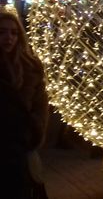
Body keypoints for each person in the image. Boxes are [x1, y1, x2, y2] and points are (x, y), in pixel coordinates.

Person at [0, 12, 49, 198]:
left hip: (22, 148)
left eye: (13, 33)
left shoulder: (30, 67)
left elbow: (40, 105)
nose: (8, 38)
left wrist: (34, 133)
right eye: (2, 32)